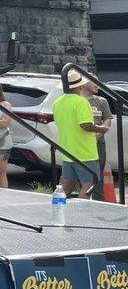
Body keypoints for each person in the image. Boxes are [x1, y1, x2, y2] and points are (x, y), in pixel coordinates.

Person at [51, 70, 102, 199]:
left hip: (68, 150)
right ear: (80, 86)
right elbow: (85, 125)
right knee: (89, 185)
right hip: (85, 152)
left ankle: (58, 208)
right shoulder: (81, 102)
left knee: (65, 185)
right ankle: (80, 212)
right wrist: (100, 128)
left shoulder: (57, 103)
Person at [87, 80, 113, 200]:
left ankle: (99, 202)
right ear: (84, 84)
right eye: (93, 81)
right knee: (78, 174)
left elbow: (107, 120)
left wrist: (101, 131)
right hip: (81, 144)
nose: (97, 84)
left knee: (98, 175)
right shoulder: (78, 101)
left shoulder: (102, 101)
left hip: (99, 144)